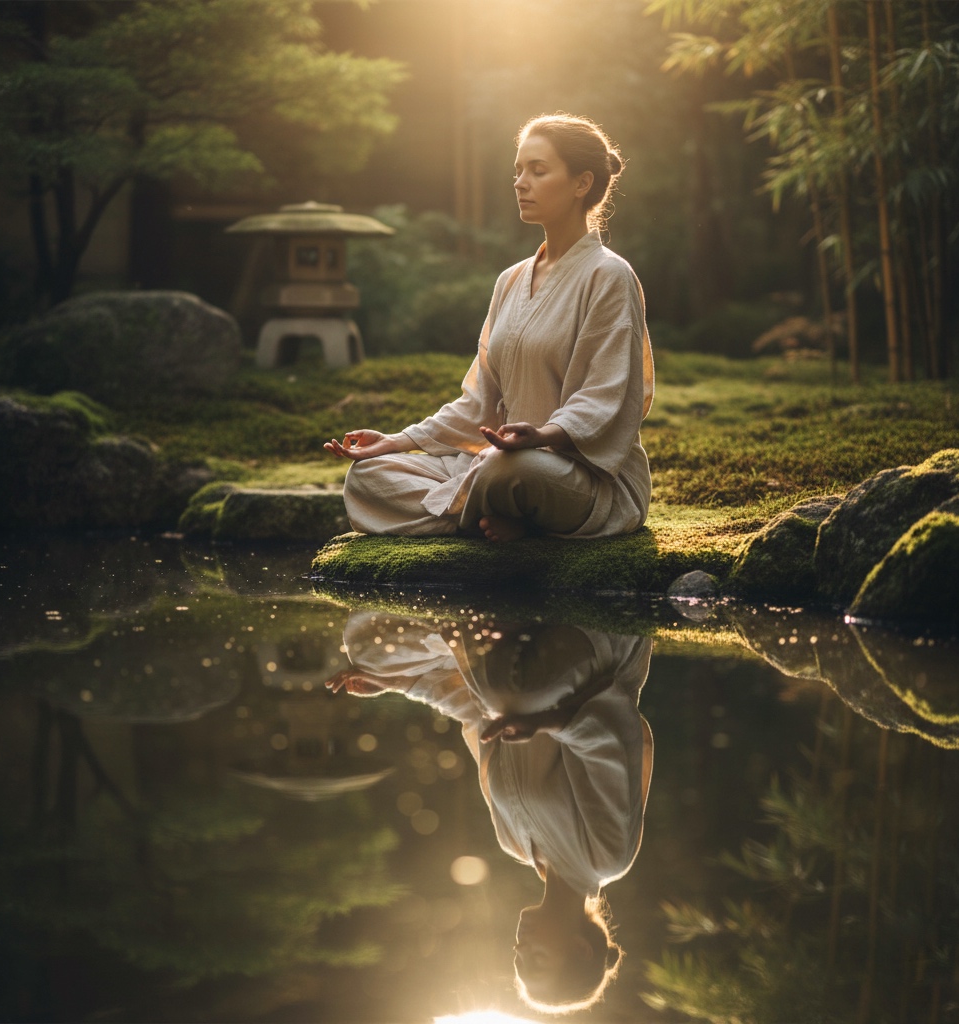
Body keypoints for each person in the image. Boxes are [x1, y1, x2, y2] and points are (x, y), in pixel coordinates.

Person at [324, 113, 654, 542]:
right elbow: (479, 403)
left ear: (581, 183)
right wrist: (398, 441)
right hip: (498, 462)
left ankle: (490, 511)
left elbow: (606, 396)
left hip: (577, 474)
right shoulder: (510, 280)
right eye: (517, 171)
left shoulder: (609, 275)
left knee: (507, 470)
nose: (520, 182)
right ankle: (498, 519)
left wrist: (542, 436)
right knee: (368, 476)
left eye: (538, 171)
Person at [327, 611, 654, 1014]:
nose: (520, 947)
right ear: (580, 948)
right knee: (510, 696)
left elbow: (476, 716)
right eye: (537, 959)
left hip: (515, 683)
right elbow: (609, 740)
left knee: (369, 651)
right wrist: (541, 722)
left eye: (519, 961)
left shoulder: (514, 843)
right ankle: (487, 625)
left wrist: (400, 683)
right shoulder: (608, 857)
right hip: (591, 664)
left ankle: (483, 623)